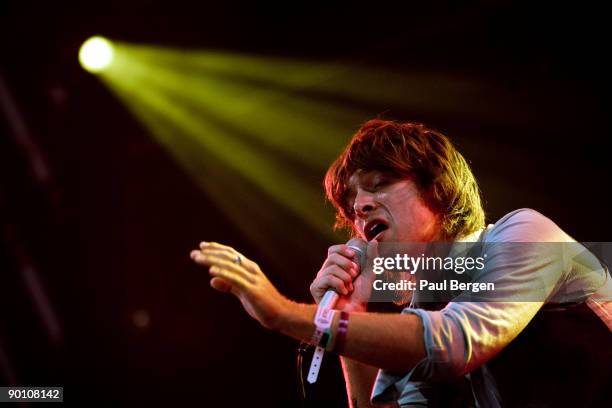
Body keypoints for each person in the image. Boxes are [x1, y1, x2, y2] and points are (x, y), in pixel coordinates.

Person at [190, 119, 612, 407]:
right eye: (352, 204)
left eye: (379, 184)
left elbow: (454, 341)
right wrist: (348, 311)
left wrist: (284, 314)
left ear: (438, 190)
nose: (360, 206)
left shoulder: (525, 233)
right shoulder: (424, 309)